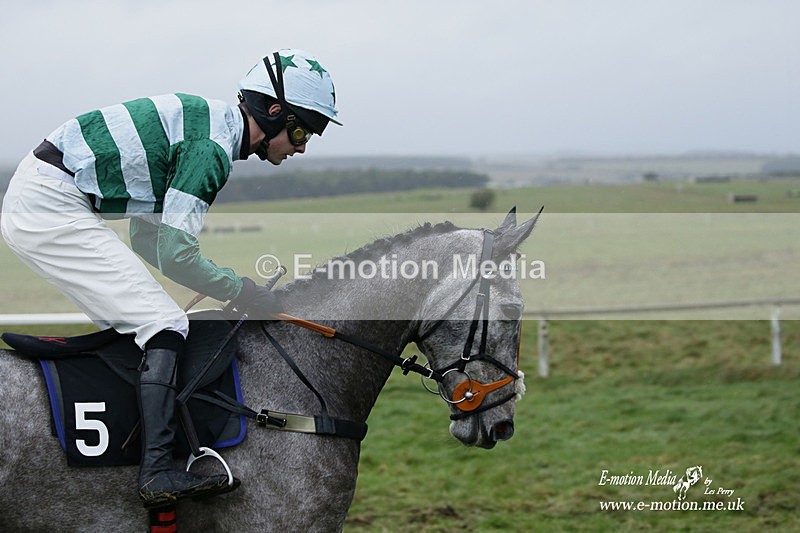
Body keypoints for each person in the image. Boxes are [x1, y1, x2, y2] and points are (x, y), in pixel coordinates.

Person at [0, 48, 340, 507]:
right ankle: (158, 470)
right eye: (302, 130)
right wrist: (240, 289)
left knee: (145, 323)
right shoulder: (211, 149)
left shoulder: (208, 128)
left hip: (45, 198)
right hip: (50, 204)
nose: (301, 146)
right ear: (272, 110)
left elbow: (148, 241)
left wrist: (227, 285)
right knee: (164, 324)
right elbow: (176, 253)